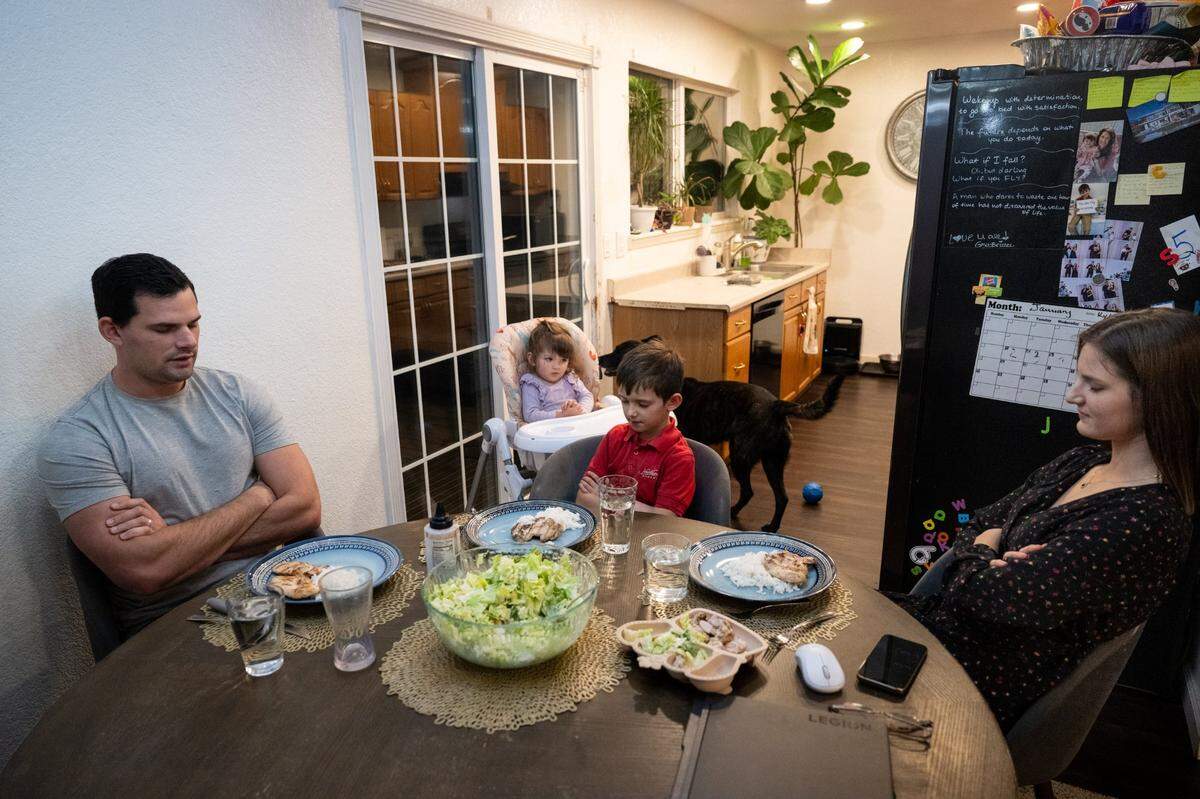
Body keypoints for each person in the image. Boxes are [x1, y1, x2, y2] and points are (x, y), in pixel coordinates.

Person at [889, 308, 1199, 731]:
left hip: (969, 683)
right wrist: (987, 548)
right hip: (943, 629)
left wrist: (985, 547)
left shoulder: (1143, 522)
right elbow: (982, 521)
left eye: (1095, 385)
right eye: (1078, 378)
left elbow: (983, 597)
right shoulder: (1083, 461)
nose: (1073, 395)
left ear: (1159, 397)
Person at [38, 254, 321, 636]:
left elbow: (304, 508)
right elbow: (145, 571)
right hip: (177, 623)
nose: (188, 341)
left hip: (282, 585)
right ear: (112, 331)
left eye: (193, 323)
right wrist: (259, 496)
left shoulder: (238, 394)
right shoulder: (78, 439)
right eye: (164, 328)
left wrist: (175, 544)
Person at [575, 339, 695, 517]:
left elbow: (665, 519)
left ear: (672, 402)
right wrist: (638, 508)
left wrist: (609, 498)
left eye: (642, 404)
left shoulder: (679, 457)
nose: (630, 412)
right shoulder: (614, 437)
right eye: (624, 400)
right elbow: (583, 499)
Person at [519, 320, 595, 422]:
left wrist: (581, 411)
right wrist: (561, 415)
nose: (557, 367)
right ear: (532, 359)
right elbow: (530, 415)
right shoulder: (532, 384)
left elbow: (587, 396)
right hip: (551, 432)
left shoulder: (570, 378)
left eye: (563, 360)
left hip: (577, 423)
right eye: (549, 359)